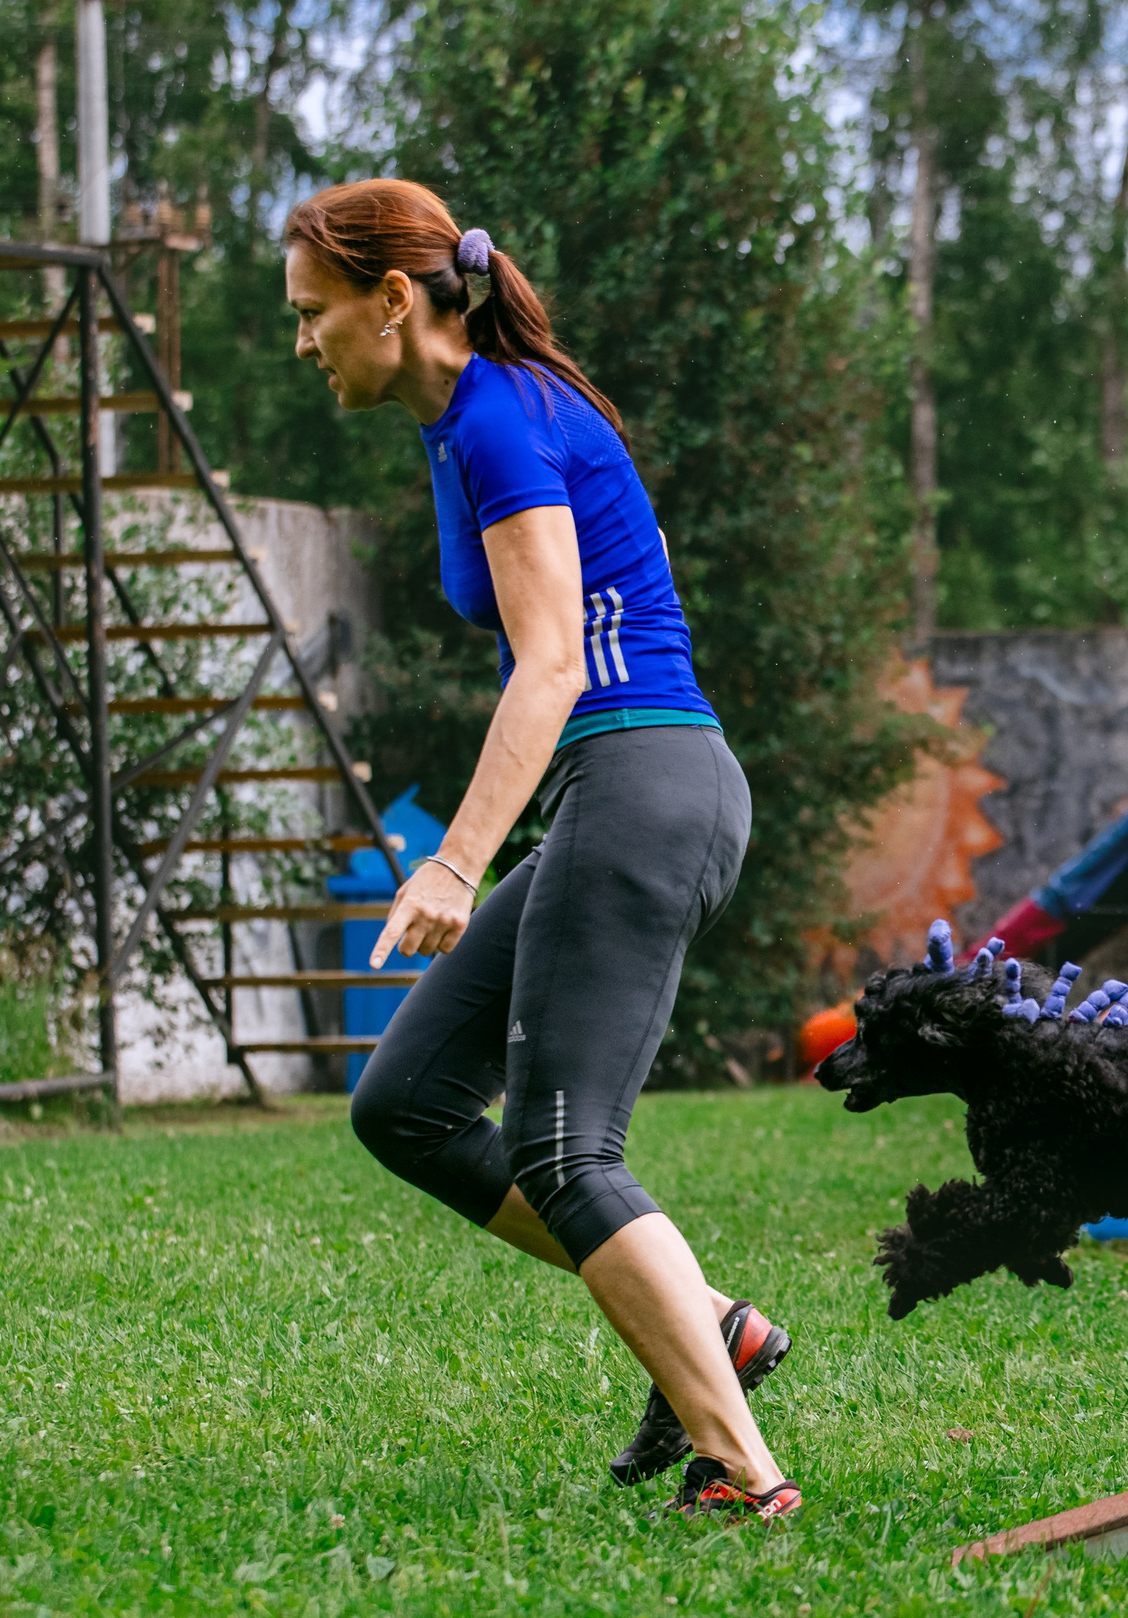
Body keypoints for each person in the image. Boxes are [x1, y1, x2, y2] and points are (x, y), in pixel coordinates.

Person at [283, 179, 797, 1521]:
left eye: (311, 313)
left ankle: (741, 1470)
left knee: (570, 1153)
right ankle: (711, 1324)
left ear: (393, 303)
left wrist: (455, 862)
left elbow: (556, 662)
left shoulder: (504, 422)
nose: (302, 341)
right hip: (619, 794)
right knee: (407, 1104)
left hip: (641, 784)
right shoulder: (466, 422)